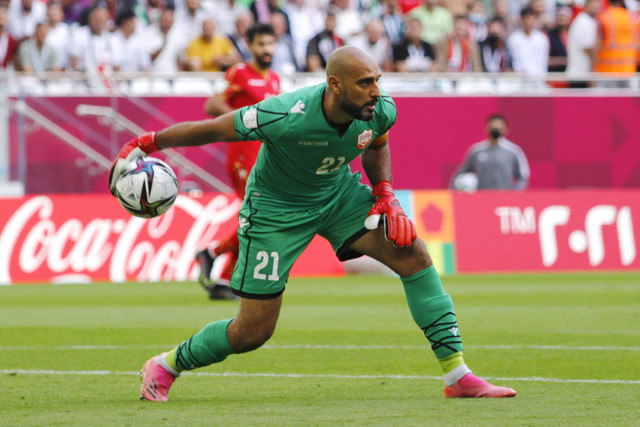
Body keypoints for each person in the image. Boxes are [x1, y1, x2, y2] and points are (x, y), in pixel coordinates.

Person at [108, 45, 517, 401]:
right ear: (335, 85)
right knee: (253, 331)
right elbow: (212, 129)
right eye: (364, 83)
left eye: (377, 80)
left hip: (336, 196)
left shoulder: (380, 109)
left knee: (414, 254)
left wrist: (385, 192)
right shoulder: (285, 114)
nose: (376, 91)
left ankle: (457, 374)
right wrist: (143, 143)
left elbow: (376, 148)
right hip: (275, 212)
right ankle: (165, 365)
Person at [195, 23, 280, 301]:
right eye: (261, 44)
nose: (266, 50)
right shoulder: (240, 72)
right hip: (243, 157)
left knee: (258, 218)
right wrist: (243, 118)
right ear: (251, 46)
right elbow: (212, 105)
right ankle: (215, 257)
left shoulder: (275, 80)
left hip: (264, 159)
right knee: (258, 216)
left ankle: (220, 276)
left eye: (270, 44)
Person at [450, 114, 529, 191]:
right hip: (481, 198)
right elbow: (460, 173)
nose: (495, 129)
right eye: (492, 126)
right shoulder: (476, 151)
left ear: (505, 129)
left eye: (499, 127)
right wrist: (453, 192)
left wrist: (515, 194)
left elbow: (523, 176)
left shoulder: (513, 151)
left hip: (505, 198)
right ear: (487, 128)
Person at [593, 0, 637, 86]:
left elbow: (597, 43)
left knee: (608, 99)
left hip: (607, 71)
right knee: (627, 98)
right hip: (629, 70)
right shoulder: (631, 17)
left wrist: (593, 65)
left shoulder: (604, 17)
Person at [566, 0, 601, 87]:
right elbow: (588, 49)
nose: (596, 7)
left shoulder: (587, 21)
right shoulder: (583, 22)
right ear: (586, 5)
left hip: (582, 74)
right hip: (579, 74)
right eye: (593, 4)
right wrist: (594, 70)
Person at [506, 6, 549, 75]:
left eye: (532, 19)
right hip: (520, 80)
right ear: (522, 19)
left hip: (538, 79)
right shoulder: (513, 39)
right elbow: (514, 61)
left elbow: (543, 61)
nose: (529, 22)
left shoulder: (542, 38)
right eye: (527, 18)